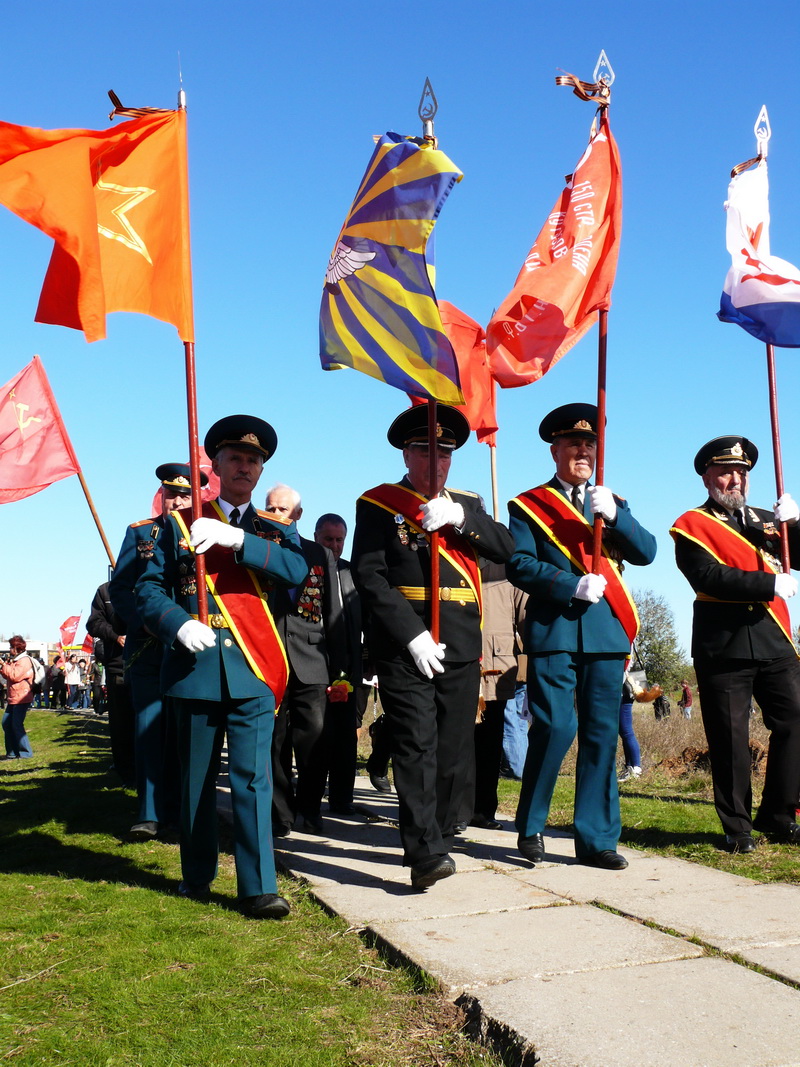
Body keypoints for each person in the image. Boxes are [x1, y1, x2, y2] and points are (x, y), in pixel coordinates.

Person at [136, 416, 308, 918]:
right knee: (196, 779)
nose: (245, 466)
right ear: (215, 464)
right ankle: (198, 874)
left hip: (255, 666)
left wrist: (238, 543)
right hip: (196, 664)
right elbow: (147, 590)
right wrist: (175, 624)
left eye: (254, 460)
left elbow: (297, 571)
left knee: (254, 779)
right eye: (235, 457)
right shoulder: (176, 523)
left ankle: (258, 887)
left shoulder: (272, 529)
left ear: (260, 472)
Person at [352, 405, 514, 889]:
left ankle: (439, 831)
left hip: (461, 641)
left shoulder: (467, 502)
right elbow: (370, 575)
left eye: (444, 452)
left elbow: (505, 549)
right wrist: (412, 633)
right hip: (408, 643)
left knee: (453, 747)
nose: (436, 461)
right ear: (407, 452)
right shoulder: (380, 503)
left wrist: (462, 519)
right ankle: (424, 852)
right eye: (425, 450)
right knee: (415, 744)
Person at [507, 403, 657, 870]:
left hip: (607, 635)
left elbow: (648, 552)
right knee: (555, 727)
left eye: (590, 444)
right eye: (574, 443)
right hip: (555, 630)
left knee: (600, 734)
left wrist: (617, 516)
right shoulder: (527, 504)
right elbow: (519, 564)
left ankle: (596, 839)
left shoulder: (610, 502)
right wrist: (568, 583)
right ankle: (531, 826)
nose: (583, 452)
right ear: (555, 450)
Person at [671, 435, 800, 853]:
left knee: (795, 721)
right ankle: (737, 828)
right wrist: (770, 583)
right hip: (723, 647)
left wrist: (795, 527)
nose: (734, 480)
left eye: (741, 472)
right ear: (707, 476)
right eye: (725, 471)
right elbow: (708, 577)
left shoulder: (768, 520)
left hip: (774, 641)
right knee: (729, 739)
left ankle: (780, 815)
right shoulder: (691, 524)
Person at [110, 462, 208, 841]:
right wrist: (146, 622)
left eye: (185, 495)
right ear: (162, 496)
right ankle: (149, 813)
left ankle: (179, 812)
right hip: (149, 647)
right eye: (172, 494)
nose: (177, 501)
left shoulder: (202, 535)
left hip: (190, 649)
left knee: (184, 734)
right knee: (149, 729)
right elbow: (120, 588)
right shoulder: (140, 533)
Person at [264, 486, 344, 835]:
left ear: (298, 514)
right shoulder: (255, 549)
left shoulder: (318, 553)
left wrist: (339, 667)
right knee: (275, 743)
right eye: (271, 508)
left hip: (313, 661)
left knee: (314, 742)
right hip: (269, 660)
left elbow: (333, 611)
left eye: (285, 509)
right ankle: (280, 814)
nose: (278, 514)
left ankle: (310, 808)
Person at [462, 562, 527, 830]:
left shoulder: (507, 567)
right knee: (458, 742)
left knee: (489, 742)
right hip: (460, 661)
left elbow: (525, 616)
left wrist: (533, 661)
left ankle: (484, 809)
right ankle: (457, 809)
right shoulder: (458, 557)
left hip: (495, 667)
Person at [314, 512, 364, 815]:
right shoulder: (308, 568)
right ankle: (311, 797)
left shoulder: (352, 572)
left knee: (346, 734)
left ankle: (343, 799)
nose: (334, 545)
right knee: (319, 734)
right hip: (315, 662)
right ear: (317, 536)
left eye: (339, 540)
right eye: (328, 539)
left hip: (348, 665)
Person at [87, 583, 137, 787]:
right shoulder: (105, 591)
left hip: (150, 665)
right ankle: (127, 773)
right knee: (121, 724)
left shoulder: (148, 583)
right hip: (119, 667)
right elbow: (94, 623)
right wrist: (115, 636)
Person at [1, 635, 36, 759]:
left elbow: (14, 676)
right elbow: (8, 676)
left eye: (11, 647)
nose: (10, 649)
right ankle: (12, 752)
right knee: (6, 723)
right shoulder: (16, 660)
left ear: (17, 648)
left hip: (22, 697)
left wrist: (3, 665)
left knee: (16, 724)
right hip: (14, 697)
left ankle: (25, 752)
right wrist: (4, 667)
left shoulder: (24, 661)